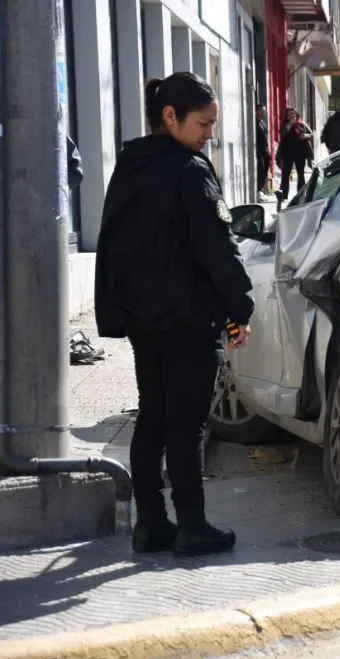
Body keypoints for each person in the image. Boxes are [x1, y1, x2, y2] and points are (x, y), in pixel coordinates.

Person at [94, 72, 254, 558]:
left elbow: (111, 244)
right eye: (204, 124)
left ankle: (150, 525)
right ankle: (193, 526)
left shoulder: (130, 165)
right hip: (188, 319)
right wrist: (239, 308)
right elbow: (216, 248)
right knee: (186, 425)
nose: (211, 134)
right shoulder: (189, 170)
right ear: (170, 117)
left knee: (153, 418)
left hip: (143, 319)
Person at [277, 107, 313, 200]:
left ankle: (301, 195)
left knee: (300, 174)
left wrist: (305, 135)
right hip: (287, 152)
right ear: (286, 116)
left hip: (300, 152)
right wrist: (290, 126)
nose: (291, 116)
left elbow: (311, 133)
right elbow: (283, 135)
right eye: (289, 114)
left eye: (293, 114)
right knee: (285, 174)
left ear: (296, 114)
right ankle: (283, 195)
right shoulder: (284, 125)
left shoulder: (301, 124)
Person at [255, 104, 271, 201]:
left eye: (264, 111)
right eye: (260, 111)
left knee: (264, 170)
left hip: (265, 151)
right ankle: (258, 191)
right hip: (258, 151)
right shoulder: (254, 123)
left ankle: (261, 190)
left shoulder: (263, 122)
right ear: (256, 111)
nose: (262, 113)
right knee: (260, 170)